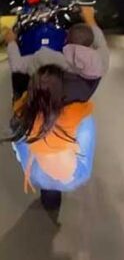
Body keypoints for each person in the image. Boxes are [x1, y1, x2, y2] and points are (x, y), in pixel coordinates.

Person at [10, 65, 96, 209]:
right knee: (86, 123)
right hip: (72, 178)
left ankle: (49, 196)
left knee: (39, 160)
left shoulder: (21, 115)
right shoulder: (78, 113)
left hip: (36, 174)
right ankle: (55, 186)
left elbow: (20, 152)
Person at [4, 6, 109, 103]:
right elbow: (101, 42)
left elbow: (16, 64)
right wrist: (90, 19)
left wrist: (11, 42)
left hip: (52, 105)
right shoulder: (101, 60)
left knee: (22, 79)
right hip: (80, 100)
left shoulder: (47, 58)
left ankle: (19, 105)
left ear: (66, 39)